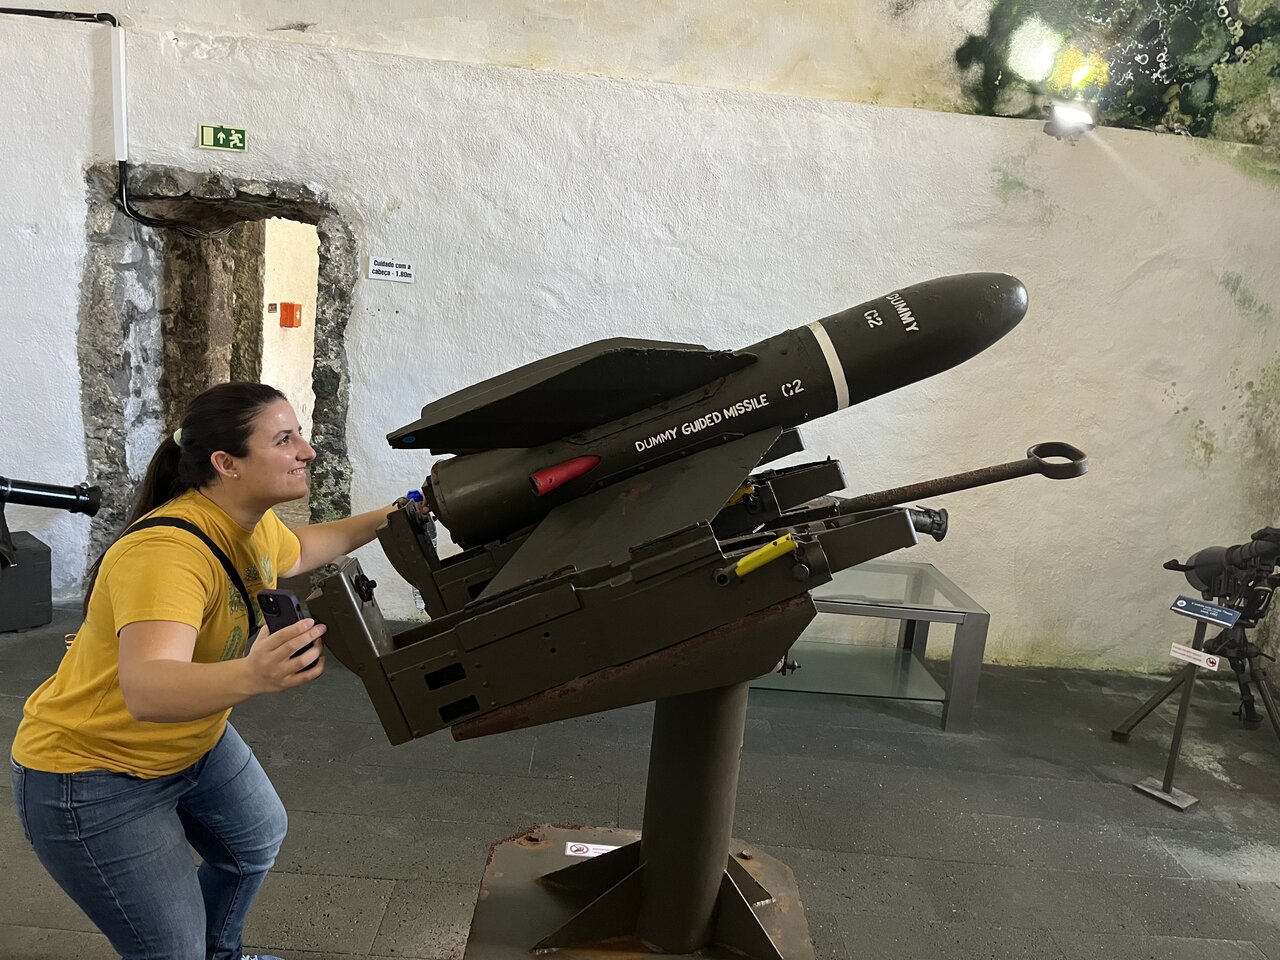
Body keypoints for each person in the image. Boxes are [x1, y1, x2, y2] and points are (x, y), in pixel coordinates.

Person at [9, 382, 405, 960]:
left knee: (253, 843)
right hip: (93, 773)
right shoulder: (168, 554)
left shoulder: (246, 521)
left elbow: (297, 551)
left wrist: (396, 514)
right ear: (227, 463)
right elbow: (148, 689)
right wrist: (253, 675)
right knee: (172, 950)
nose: (308, 450)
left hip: (190, 742)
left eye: (299, 435)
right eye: (285, 440)